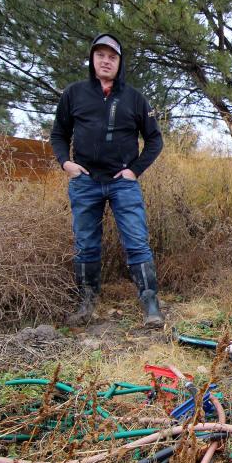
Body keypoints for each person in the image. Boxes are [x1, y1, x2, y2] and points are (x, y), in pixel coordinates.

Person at [50, 33, 165, 327]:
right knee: (86, 244)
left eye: (112, 57)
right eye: (100, 55)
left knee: (137, 242)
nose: (105, 61)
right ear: (92, 59)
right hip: (85, 182)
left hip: (122, 182)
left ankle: (151, 304)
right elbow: (58, 134)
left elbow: (154, 140)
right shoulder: (74, 94)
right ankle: (86, 302)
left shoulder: (135, 98)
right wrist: (66, 163)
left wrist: (134, 170)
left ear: (119, 62)